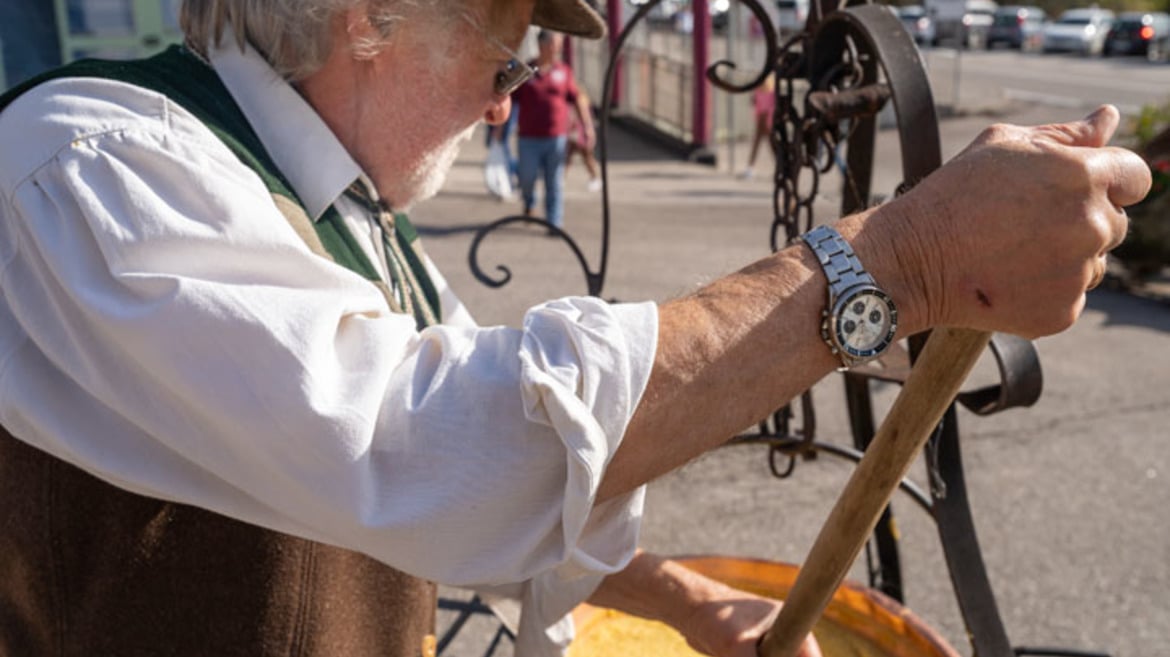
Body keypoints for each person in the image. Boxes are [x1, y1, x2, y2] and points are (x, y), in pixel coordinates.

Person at [0, 2, 1146, 657]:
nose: (511, 96)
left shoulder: (341, 214)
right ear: (366, 17)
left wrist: (692, 605)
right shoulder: (93, 163)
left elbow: (518, 482)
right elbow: (431, 445)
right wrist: (894, 263)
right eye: (503, 53)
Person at [508, 28, 595, 232]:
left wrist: (587, 126)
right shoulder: (527, 71)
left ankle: (554, 221)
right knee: (527, 177)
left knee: (554, 180)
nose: (557, 49)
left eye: (558, 45)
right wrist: (500, 129)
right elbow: (511, 100)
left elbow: (577, 99)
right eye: (553, 44)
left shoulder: (563, 71)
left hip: (556, 137)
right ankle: (529, 203)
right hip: (528, 137)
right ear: (542, 45)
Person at [740, 72, 776, 180]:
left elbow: (772, 107)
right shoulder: (758, 92)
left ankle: (778, 166)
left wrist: (768, 120)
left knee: (771, 145)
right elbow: (755, 105)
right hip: (760, 120)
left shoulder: (771, 92)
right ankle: (750, 167)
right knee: (760, 144)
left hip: (767, 121)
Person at [566, 88, 603, 191]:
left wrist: (588, 130)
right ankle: (560, 179)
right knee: (567, 157)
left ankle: (595, 178)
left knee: (586, 156)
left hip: (580, 130)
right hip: (572, 130)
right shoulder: (570, 98)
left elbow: (585, 116)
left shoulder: (580, 99)